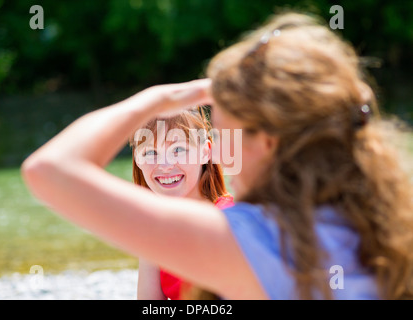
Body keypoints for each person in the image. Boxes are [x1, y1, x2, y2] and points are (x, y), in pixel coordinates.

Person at [21, 12, 413, 299]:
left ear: (269, 141)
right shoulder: (390, 224)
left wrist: (159, 99)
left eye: (224, 131)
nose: (220, 149)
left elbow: (49, 169)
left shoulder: (255, 241)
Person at [130, 108, 234, 300]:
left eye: (178, 150)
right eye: (151, 152)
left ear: (205, 152)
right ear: (137, 159)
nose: (165, 164)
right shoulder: (154, 229)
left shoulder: (228, 220)